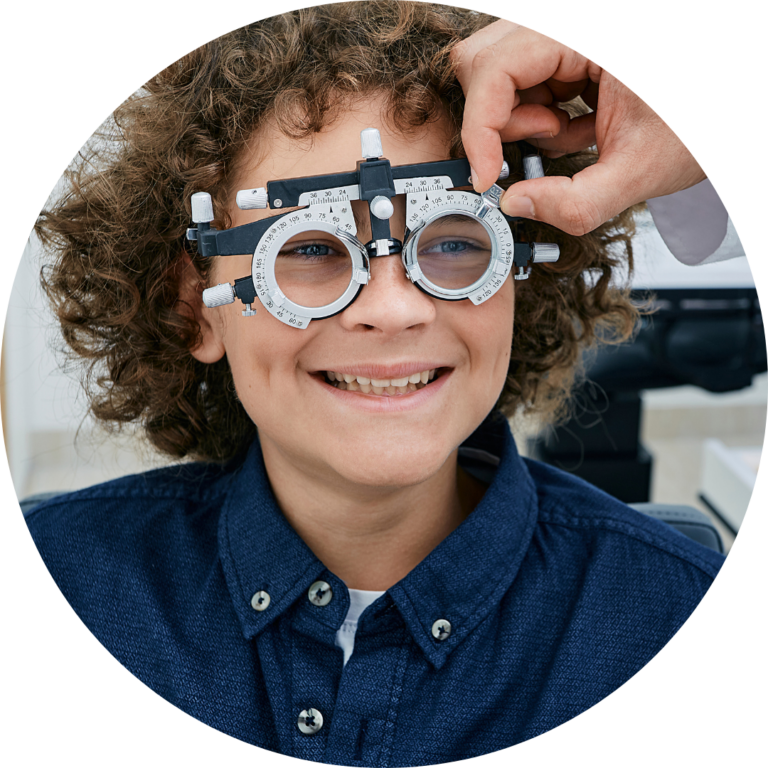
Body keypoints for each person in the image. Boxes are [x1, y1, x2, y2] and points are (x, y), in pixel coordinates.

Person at [23, 2, 731, 761]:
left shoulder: (670, 609)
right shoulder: (69, 576)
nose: (393, 309)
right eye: (309, 249)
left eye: (454, 239)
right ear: (194, 307)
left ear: (521, 275)